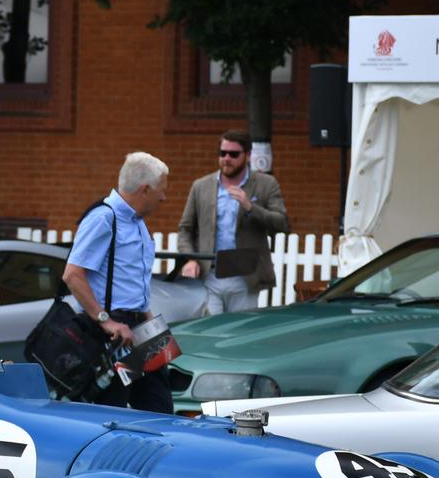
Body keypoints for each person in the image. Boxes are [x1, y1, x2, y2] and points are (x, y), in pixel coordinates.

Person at [61, 151, 173, 413]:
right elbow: (72, 275)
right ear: (145, 189)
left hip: (140, 331)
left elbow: (133, 282)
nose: (164, 197)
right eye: (162, 190)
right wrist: (106, 321)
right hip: (112, 335)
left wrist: (153, 325)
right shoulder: (103, 218)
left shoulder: (138, 223)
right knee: (112, 411)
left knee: (159, 410)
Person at [175, 131, 288, 313]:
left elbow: (282, 223)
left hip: (245, 276)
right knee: (210, 331)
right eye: (223, 153)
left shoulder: (266, 184)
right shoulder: (201, 186)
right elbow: (185, 229)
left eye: (234, 154)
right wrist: (190, 259)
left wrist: (250, 207)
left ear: (248, 155)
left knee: (240, 334)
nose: (227, 158)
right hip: (209, 275)